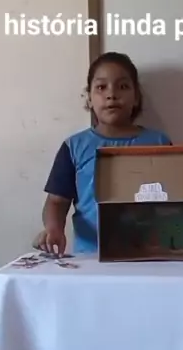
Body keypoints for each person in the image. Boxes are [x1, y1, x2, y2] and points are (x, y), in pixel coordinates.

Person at [34, 51, 171, 255]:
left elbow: (177, 200)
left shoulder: (160, 144)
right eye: (101, 87)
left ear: (136, 97)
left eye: (122, 86)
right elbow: (56, 201)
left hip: (152, 256)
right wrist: (53, 229)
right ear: (89, 98)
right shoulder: (74, 147)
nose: (111, 94)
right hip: (91, 258)